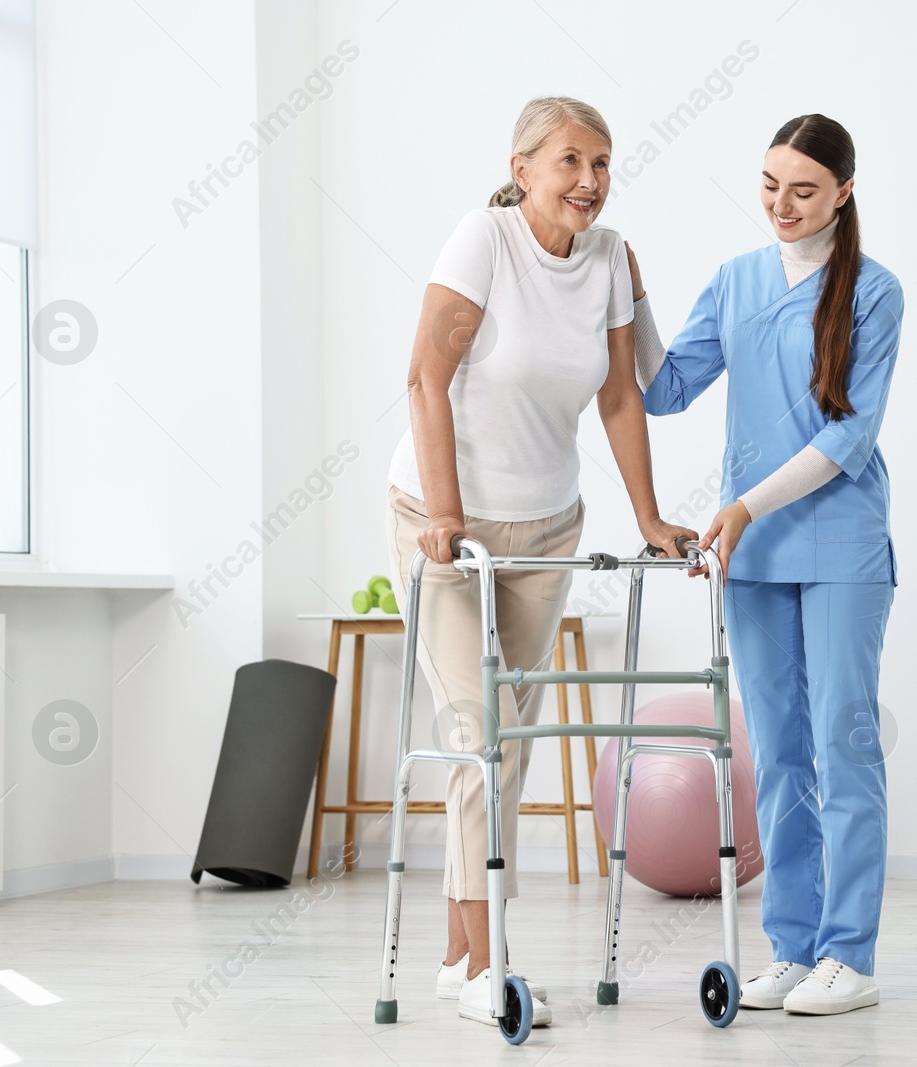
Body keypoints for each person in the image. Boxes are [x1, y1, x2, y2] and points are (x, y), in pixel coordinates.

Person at [388, 95, 694, 1029]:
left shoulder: (608, 258)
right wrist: (444, 512)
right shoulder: (483, 240)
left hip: (547, 528)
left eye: (602, 164)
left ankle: (454, 954)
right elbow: (424, 376)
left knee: (505, 741)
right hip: (448, 527)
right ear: (523, 168)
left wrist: (650, 517)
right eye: (570, 162)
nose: (590, 182)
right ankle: (491, 969)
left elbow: (617, 397)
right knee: (479, 730)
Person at [631, 113, 902, 1016]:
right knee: (781, 755)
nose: (782, 205)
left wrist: (744, 504)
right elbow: (665, 391)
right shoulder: (736, 282)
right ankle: (792, 947)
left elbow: (850, 434)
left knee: (843, 742)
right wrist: (621, 296)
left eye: (804, 190)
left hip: (838, 547)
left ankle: (849, 956)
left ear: (844, 193)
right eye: (770, 184)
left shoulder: (873, 291)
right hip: (751, 558)